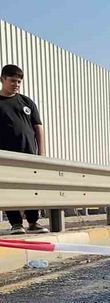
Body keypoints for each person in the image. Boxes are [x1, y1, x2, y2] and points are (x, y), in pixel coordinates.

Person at [0, 64, 49, 235]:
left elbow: (38, 127)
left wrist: (41, 153)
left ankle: (33, 222)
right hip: (5, 156)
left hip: (29, 155)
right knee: (9, 189)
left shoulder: (26, 102)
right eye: (13, 81)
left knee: (31, 189)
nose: (16, 84)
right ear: (2, 79)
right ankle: (16, 224)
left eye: (19, 81)